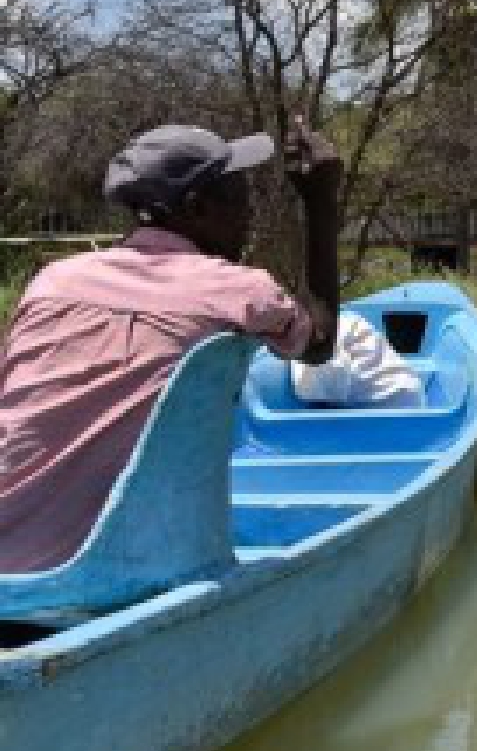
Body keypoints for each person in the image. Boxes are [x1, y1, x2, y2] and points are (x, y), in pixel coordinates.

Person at [0, 119, 342, 574]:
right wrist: (319, 205)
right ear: (198, 208)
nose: (248, 216)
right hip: (91, 571)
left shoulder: (51, 282)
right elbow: (318, 343)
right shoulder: (237, 291)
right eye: (238, 198)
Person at [290, 310, 424, 409]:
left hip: (397, 409)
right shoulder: (350, 320)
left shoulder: (328, 342)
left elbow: (316, 393)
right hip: (410, 394)